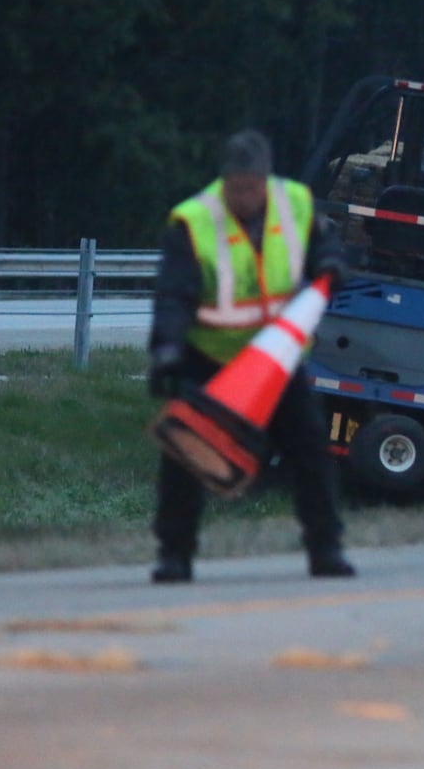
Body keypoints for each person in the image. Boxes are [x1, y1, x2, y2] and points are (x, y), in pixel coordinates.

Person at [146, 128, 355, 583]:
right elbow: (173, 294)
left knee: (310, 450)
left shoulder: (295, 202)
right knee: (184, 455)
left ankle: (326, 550)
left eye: (252, 187)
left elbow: (324, 244)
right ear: (224, 182)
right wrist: (166, 349)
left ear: (266, 179)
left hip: (274, 360)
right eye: (236, 188)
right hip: (211, 357)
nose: (244, 197)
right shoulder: (195, 220)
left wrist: (330, 263)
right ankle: (174, 555)